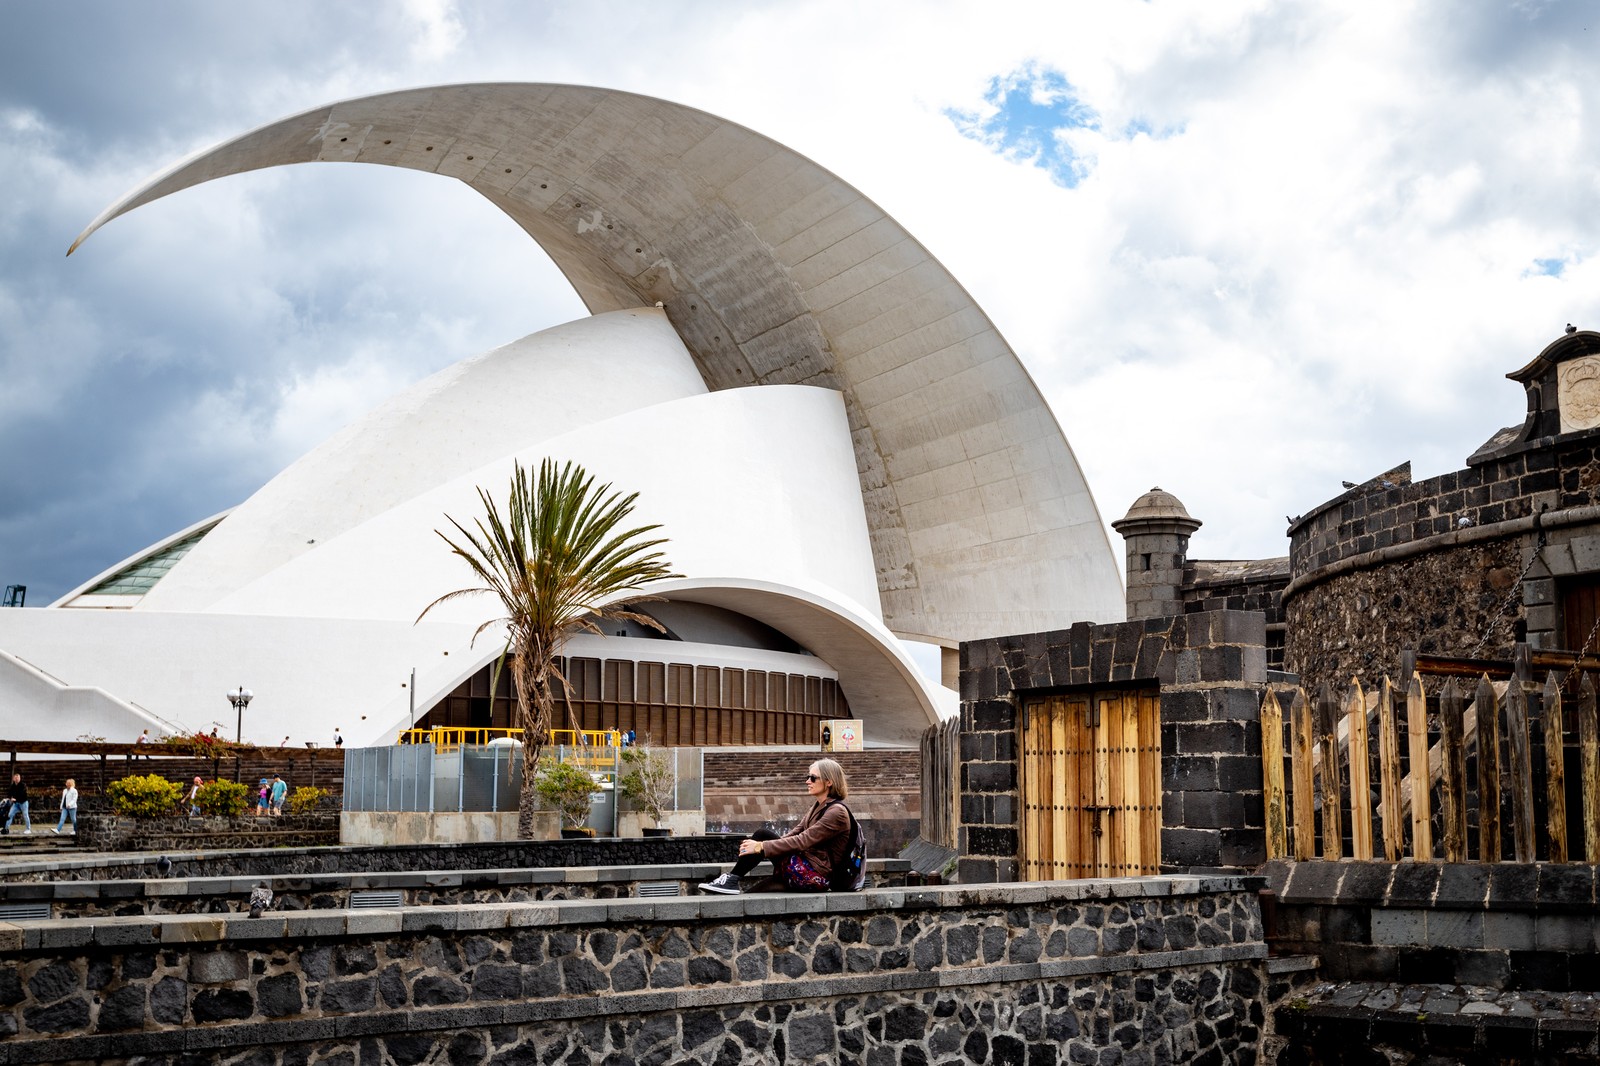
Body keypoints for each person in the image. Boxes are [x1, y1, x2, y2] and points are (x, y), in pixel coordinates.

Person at [698, 758, 852, 895]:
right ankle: (730, 882)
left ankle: (731, 879)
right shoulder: (818, 806)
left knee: (762, 834)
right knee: (752, 895)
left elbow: (802, 840)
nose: (807, 781)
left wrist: (762, 846)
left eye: (812, 778)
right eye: (808, 777)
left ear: (829, 782)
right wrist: (764, 851)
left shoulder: (836, 812)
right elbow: (794, 833)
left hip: (816, 876)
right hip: (804, 868)